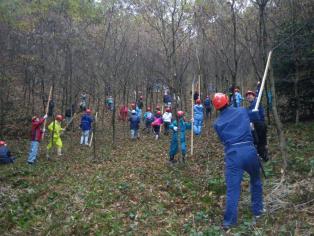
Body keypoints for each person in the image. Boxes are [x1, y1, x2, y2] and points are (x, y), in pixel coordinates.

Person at [212, 93, 264, 229]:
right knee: (256, 181)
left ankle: (229, 222)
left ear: (216, 108)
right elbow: (256, 117)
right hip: (249, 150)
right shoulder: (242, 111)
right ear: (228, 101)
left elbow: (223, 140)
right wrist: (253, 113)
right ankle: (258, 211)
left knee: (232, 189)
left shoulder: (217, 124)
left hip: (233, 155)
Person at [246, 90, 269, 162]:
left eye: (250, 95)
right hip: (258, 125)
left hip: (260, 125)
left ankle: (264, 158)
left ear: (254, 96)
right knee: (261, 142)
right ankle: (263, 156)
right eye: (247, 95)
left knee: (259, 142)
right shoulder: (252, 105)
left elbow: (252, 115)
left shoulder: (256, 103)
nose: (249, 96)